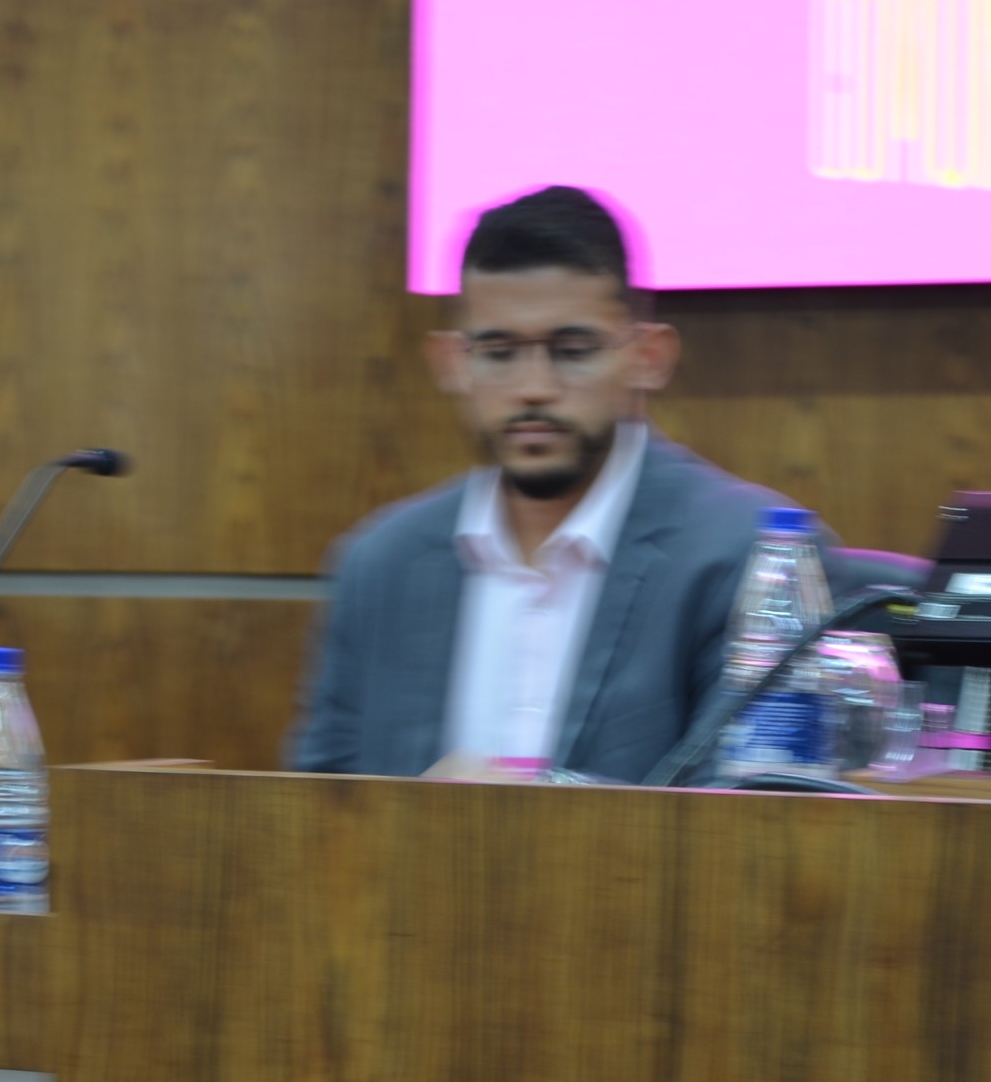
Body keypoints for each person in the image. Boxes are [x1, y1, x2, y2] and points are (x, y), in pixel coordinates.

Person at [287, 185, 825, 783]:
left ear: (649, 357)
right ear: (453, 363)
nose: (534, 388)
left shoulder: (750, 556)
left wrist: (529, 803)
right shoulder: (382, 561)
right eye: (499, 352)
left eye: (572, 350)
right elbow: (323, 810)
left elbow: (761, 808)